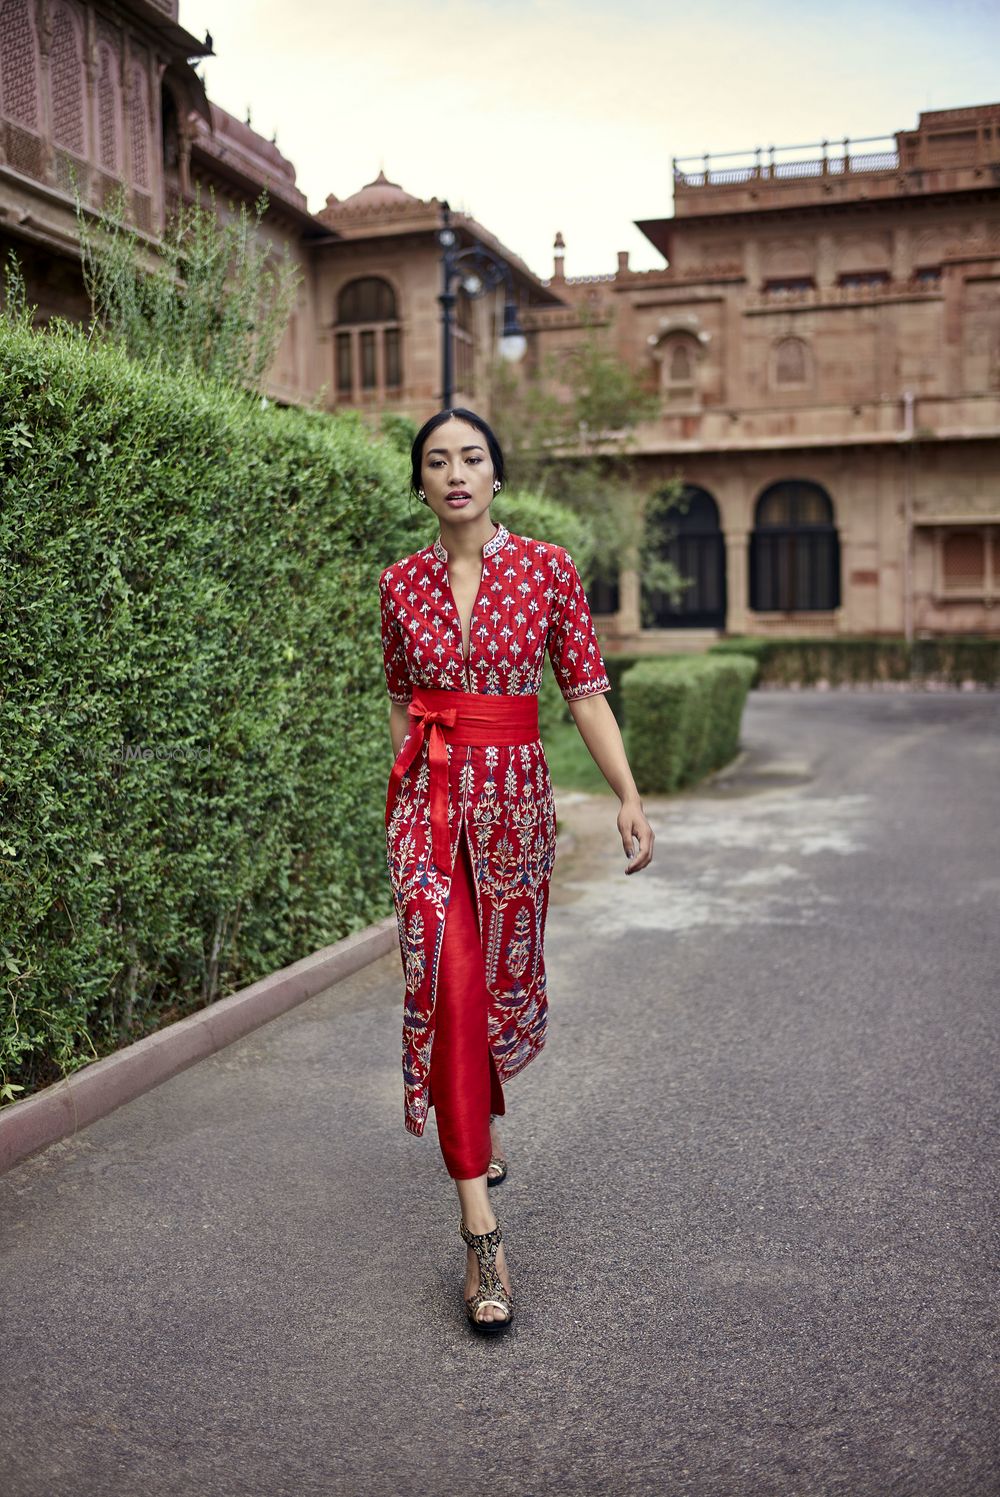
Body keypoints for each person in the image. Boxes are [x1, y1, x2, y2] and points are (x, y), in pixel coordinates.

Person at [379, 408, 654, 1333]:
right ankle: (481, 1231)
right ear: (419, 483)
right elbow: (398, 703)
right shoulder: (398, 584)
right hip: (427, 804)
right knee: (447, 980)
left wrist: (626, 793)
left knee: (492, 983)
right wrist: (400, 803)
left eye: (471, 457)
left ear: (497, 474)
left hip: (510, 808)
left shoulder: (547, 569)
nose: (454, 473)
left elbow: (584, 692)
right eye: (435, 461)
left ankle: (476, 1116)